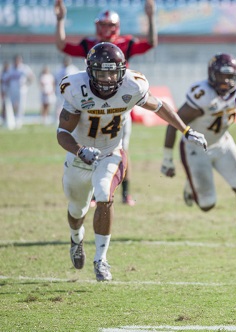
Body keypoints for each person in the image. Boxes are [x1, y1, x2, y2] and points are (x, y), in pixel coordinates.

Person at [56, 42, 207, 281]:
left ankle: (101, 259)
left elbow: (159, 107)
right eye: (101, 72)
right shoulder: (76, 89)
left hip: (110, 152)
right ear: (89, 72)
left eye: (112, 72)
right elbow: (62, 133)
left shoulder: (132, 85)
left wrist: (186, 129)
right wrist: (79, 150)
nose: (107, 78)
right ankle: (76, 238)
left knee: (105, 194)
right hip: (79, 156)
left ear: (122, 71)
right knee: (77, 209)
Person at [54, 0, 158, 206]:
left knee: (120, 149)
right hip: (92, 104)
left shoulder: (126, 42)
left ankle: (124, 192)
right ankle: (93, 193)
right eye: (103, 25)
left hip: (118, 103)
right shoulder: (88, 44)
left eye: (110, 25)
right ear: (96, 26)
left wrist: (150, 17)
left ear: (117, 27)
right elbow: (63, 46)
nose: (106, 29)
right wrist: (60, 20)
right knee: (90, 146)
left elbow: (150, 43)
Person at [161, 53, 236, 239]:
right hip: (195, 148)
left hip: (222, 142)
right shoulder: (202, 95)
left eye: (230, 76)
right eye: (222, 76)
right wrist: (167, 159)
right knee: (207, 205)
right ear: (212, 75)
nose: (226, 81)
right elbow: (174, 123)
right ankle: (191, 185)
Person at [4, 54, 34, 129]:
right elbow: (6, 79)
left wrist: (27, 84)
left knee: (21, 105)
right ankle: (13, 120)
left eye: (19, 60)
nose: (17, 62)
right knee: (13, 105)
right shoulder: (11, 69)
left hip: (21, 89)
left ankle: (19, 121)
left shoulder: (24, 68)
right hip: (12, 90)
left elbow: (31, 77)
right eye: (16, 60)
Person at [53, 56, 79, 125]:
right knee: (58, 105)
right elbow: (55, 80)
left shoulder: (73, 69)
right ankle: (57, 119)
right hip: (60, 90)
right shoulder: (59, 69)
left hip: (70, 91)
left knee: (70, 106)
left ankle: (69, 119)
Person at [1, 61, 10, 127]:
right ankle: (4, 118)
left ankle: (10, 118)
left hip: (10, 92)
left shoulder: (10, 73)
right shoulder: (2, 74)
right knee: (4, 105)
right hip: (4, 91)